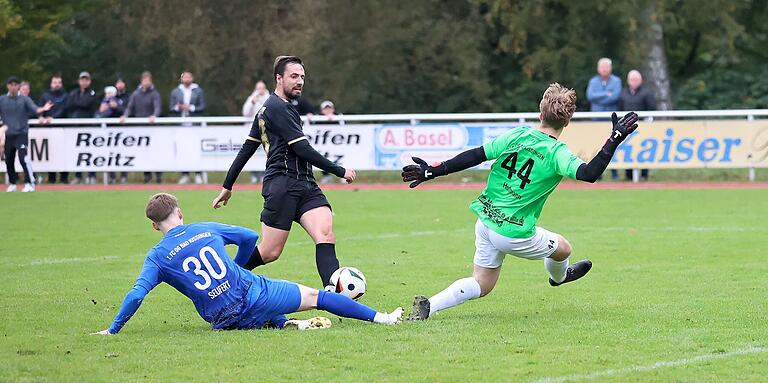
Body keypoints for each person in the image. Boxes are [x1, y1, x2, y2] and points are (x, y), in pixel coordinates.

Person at [402, 83, 639, 321]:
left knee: (482, 284)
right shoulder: (557, 153)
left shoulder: (518, 135)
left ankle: (429, 306)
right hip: (513, 233)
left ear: (540, 113)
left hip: (485, 220)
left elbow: (476, 155)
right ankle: (560, 278)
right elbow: (589, 174)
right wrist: (614, 139)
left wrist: (433, 171)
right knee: (564, 248)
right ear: (567, 122)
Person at [91, 193, 402, 335]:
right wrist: (238, 269)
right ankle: (384, 319)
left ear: (154, 226)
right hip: (252, 294)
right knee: (318, 297)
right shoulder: (204, 229)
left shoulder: (157, 257)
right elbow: (250, 236)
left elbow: (136, 294)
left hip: (222, 319)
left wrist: (112, 330)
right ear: (180, 213)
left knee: (255, 312)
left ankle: (285, 324)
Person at [212, 56, 356, 290]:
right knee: (270, 252)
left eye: (302, 77)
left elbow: (246, 150)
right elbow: (300, 148)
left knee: (325, 235)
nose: (299, 81)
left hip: (306, 185)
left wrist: (227, 187)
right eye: (294, 76)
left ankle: (334, 295)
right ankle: (221, 282)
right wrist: (339, 170)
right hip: (282, 185)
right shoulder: (275, 108)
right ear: (279, 78)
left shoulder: (278, 109)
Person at [0, 76, 53, 192]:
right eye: (11, 84)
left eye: (15, 84)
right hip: (9, 134)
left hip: (21, 133)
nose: (13, 87)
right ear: (8, 86)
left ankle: (30, 182)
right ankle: (13, 183)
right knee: (9, 159)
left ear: (18, 86)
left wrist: (43, 109)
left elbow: (35, 109)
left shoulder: (24, 99)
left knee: (23, 157)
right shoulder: (2, 100)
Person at [121, 71, 162, 184]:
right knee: (144, 153)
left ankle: (158, 176)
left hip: (152, 128)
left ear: (151, 81)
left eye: (148, 80)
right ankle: (147, 176)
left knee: (155, 152)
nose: (146, 82)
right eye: (145, 80)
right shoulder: (136, 94)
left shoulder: (155, 93)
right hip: (140, 129)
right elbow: (130, 107)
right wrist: (125, 116)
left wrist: (154, 115)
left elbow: (157, 107)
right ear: (141, 81)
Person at [586, 58, 622, 181]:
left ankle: (614, 173)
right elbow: (590, 96)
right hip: (596, 120)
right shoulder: (593, 81)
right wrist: (606, 94)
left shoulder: (617, 81)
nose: (604, 69)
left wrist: (600, 98)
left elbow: (615, 97)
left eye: (606, 67)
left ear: (610, 68)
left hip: (610, 121)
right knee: (597, 146)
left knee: (612, 145)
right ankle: (597, 173)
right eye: (602, 67)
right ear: (598, 68)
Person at [171, 70, 207, 184]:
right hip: (181, 126)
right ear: (182, 79)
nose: (186, 79)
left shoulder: (198, 91)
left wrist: (190, 108)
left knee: (196, 149)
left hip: (195, 126)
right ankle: (184, 174)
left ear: (192, 78)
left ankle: (198, 174)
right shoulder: (176, 91)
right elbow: (171, 107)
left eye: (188, 77)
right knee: (182, 149)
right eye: (184, 77)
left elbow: (202, 106)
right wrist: (179, 107)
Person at [619, 70, 655, 181]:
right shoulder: (623, 93)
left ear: (641, 80)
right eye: (632, 79)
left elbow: (652, 108)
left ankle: (644, 174)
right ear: (628, 81)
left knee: (644, 150)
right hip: (627, 128)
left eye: (636, 79)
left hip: (642, 127)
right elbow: (620, 108)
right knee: (628, 150)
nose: (634, 82)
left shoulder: (647, 93)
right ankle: (628, 175)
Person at [67, 71, 100, 185]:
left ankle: (92, 176)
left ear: (89, 81)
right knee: (78, 152)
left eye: (86, 79)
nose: (84, 82)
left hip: (89, 127)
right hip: (77, 127)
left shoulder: (92, 92)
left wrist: (77, 103)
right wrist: (78, 103)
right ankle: (78, 176)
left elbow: (86, 104)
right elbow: (69, 105)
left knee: (90, 152)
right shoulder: (74, 93)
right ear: (79, 81)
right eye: (82, 79)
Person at [39, 75, 70, 184]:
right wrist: (41, 117)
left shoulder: (66, 96)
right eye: (54, 82)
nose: (57, 84)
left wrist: (54, 118)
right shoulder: (45, 95)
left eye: (59, 82)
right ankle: (51, 178)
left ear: (61, 84)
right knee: (50, 153)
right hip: (49, 129)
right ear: (51, 84)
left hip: (62, 129)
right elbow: (40, 109)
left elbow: (65, 109)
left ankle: (64, 178)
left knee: (63, 153)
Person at [242, 80, 270, 184]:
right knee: (252, 152)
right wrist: (252, 102)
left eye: (262, 88)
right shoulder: (251, 98)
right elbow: (245, 113)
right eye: (258, 88)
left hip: (266, 131)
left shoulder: (269, 98)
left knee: (265, 153)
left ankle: (264, 174)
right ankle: (254, 174)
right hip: (253, 131)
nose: (260, 90)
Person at [316, 100, 345, 184]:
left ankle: (343, 175)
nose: (328, 111)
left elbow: (344, 127)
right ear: (322, 110)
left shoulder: (339, 117)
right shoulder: (318, 119)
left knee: (341, 158)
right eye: (326, 109)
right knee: (321, 158)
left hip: (338, 145)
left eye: (329, 108)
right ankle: (326, 176)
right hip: (323, 146)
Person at [108, 78, 131, 184]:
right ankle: (111, 177)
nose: (120, 84)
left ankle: (123, 176)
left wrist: (117, 107)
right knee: (111, 154)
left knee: (124, 154)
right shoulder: (111, 96)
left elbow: (129, 110)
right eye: (118, 82)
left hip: (124, 131)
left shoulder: (128, 96)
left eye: (121, 82)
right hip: (111, 131)